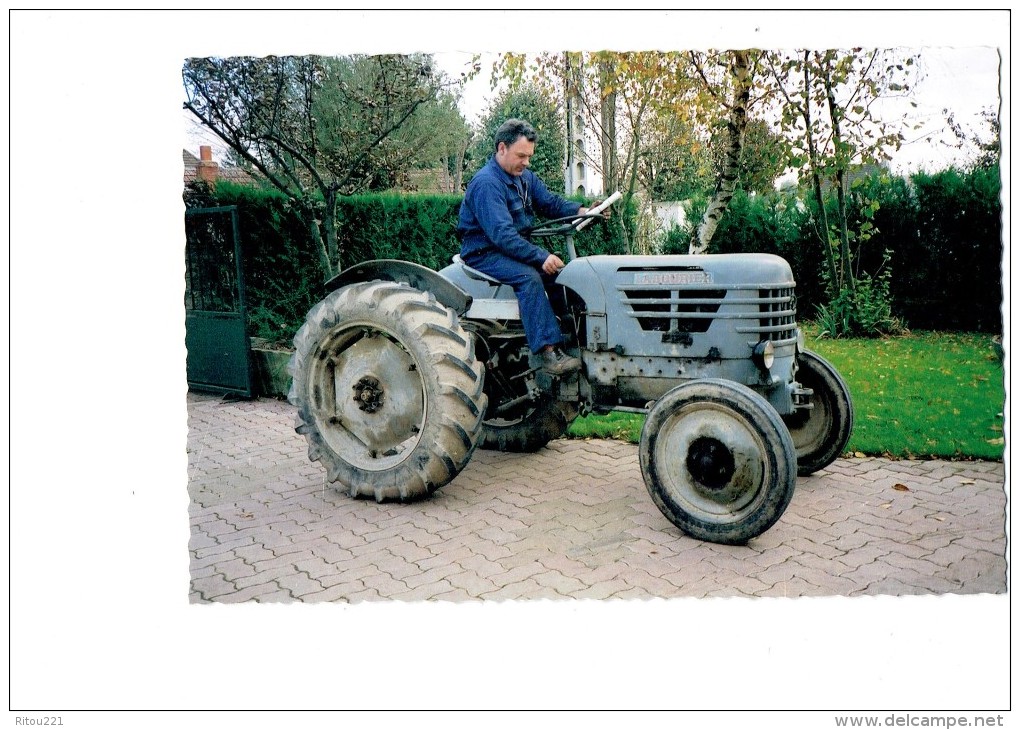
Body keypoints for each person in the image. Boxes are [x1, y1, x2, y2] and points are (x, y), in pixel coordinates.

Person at [457, 118, 604, 376]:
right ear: (502, 149)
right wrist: (540, 256)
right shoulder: (486, 184)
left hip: (508, 247)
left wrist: (582, 211)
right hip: (484, 252)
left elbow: (550, 203)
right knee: (530, 277)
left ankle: (572, 337)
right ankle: (548, 352)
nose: (526, 162)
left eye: (529, 156)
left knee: (563, 276)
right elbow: (502, 235)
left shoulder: (524, 177)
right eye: (521, 155)